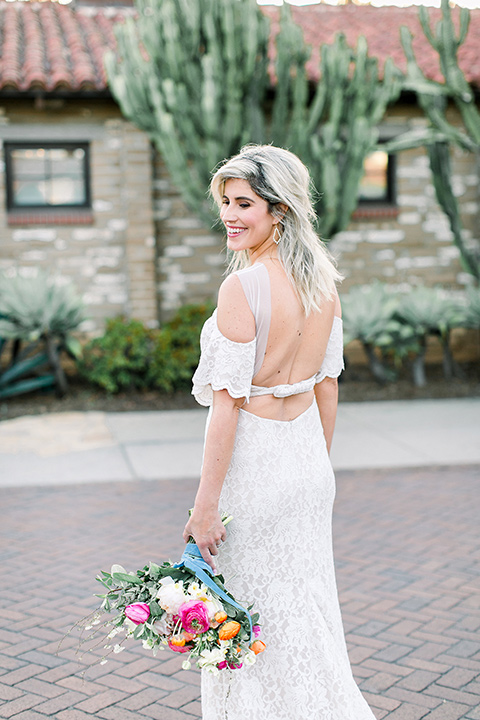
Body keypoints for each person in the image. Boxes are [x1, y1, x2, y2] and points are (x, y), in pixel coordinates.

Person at [183, 145, 375, 720]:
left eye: (245, 204)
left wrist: (204, 506)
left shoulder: (242, 290)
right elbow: (328, 387)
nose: (231, 216)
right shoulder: (323, 285)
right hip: (307, 462)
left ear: (280, 210)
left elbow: (227, 409)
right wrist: (317, 466)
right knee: (307, 611)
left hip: (259, 463)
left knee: (249, 614)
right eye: (226, 203)